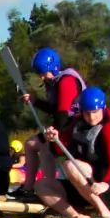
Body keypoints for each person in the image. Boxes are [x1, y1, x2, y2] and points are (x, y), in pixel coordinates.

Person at [33, 87, 110, 218]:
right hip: (83, 187)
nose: (91, 117)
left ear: (103, 108)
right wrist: (53, 138)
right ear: (82, 111)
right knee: (41, 185)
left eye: (95, 112)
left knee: (70, 166)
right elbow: (59, 148)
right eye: (87, 113)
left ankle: (106, 214)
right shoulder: (77, 123)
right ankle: (77, 217)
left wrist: (105, 183)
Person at [18, 48, 87, 199]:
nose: (42, 78)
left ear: (53, 68)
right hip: (67, 124)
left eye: (43, 73)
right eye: (39, 74)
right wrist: (35, 101)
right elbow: (55, 109)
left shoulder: (67, 81)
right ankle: (29, 188)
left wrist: (53, 135)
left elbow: (62, 114)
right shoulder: (56, 82)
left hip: (76, 128)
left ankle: (47, 188)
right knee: (32, 144)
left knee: (41, 145)